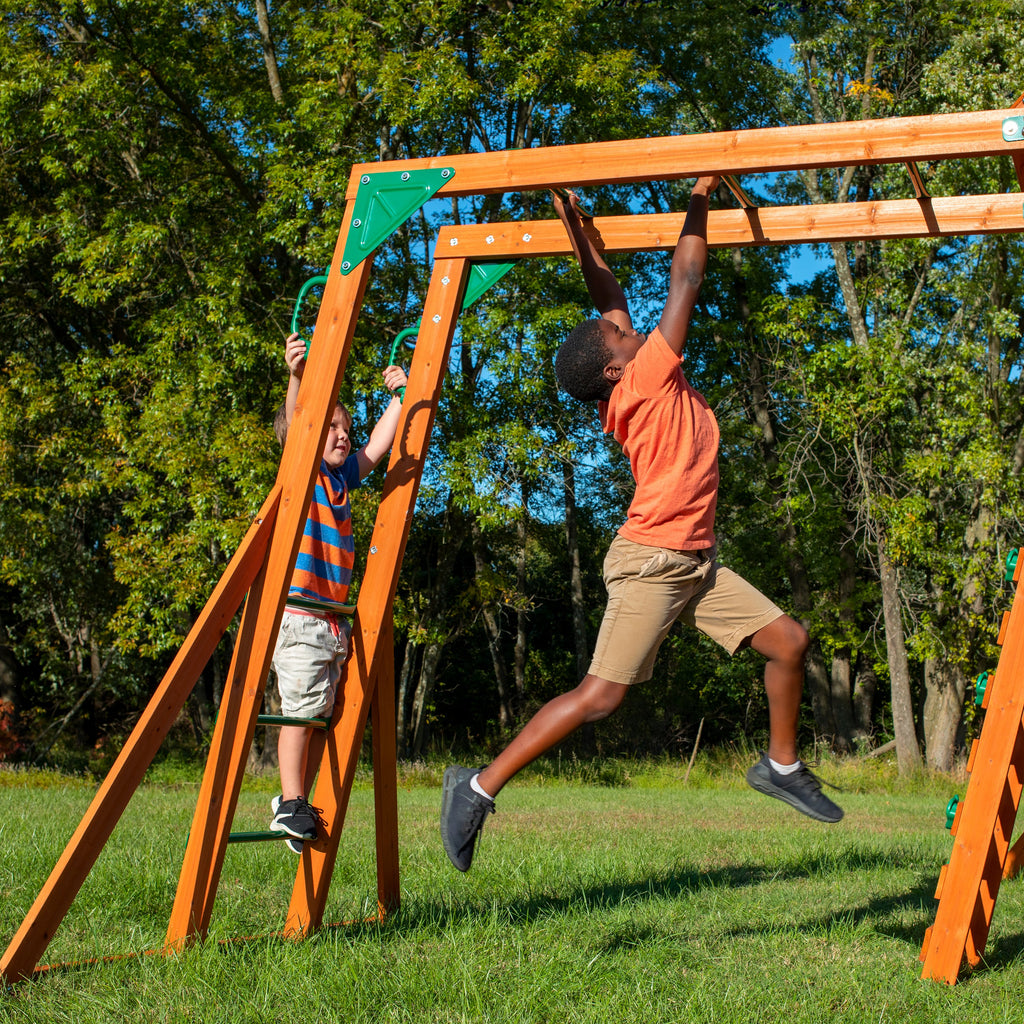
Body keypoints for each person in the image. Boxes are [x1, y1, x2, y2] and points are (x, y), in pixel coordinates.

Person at [440, 177, 842, 872]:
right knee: (602, 696)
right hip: (654, 559)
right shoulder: (650, 376)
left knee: (788, 642)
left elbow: (605, 296)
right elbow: (685, 275)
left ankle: (780, 764)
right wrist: (698, 198)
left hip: (693, 562)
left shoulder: (629, 377)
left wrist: (574, 226)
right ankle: (476, 787)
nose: (630, 323)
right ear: (617, 362)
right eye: (623, 331)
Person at [270, 331, 407, 851]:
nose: (342, 435)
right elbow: (297, 422)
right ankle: (288, 801)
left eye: (344, 427)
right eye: (331, 427)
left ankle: (297, 798)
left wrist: (401, 394)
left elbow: (378, 444)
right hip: (301, 614)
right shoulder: (302, 472)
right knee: (300, 710)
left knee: (320, 713)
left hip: (331, 619)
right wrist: (298, 376)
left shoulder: (342, 480)